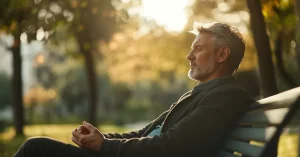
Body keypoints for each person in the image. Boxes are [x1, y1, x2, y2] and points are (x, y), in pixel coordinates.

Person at [14, 22, 254, 157]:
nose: (189, 56)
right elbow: (145, 132)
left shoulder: (226, 97)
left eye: (199, 49)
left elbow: (173, 146)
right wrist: (100, 138)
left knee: (37, 149)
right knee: (37, 148)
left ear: (223, 54)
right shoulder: (199, 94)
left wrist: (105, 146)